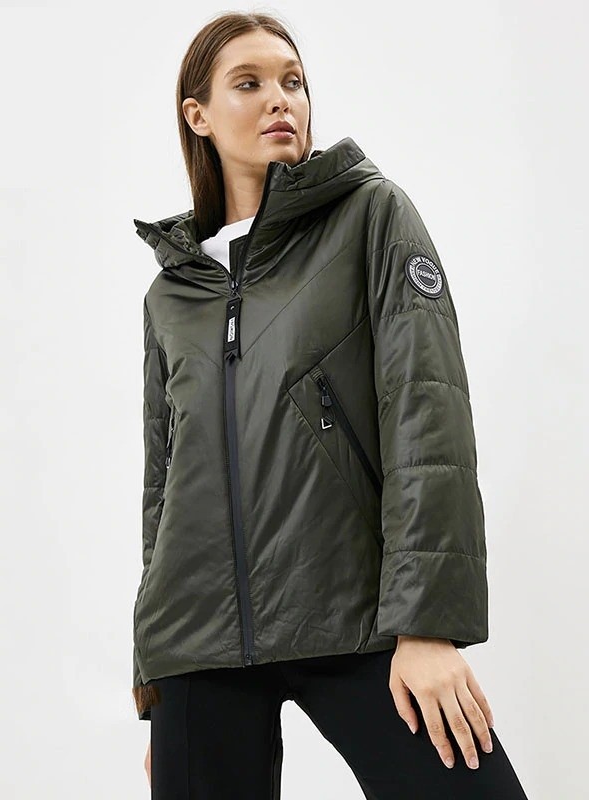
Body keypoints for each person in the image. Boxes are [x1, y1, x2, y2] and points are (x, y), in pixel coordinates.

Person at [130, 10, 529, 799]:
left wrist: (426, 625)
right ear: (198, 116)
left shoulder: (370, 217)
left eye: (294, 81)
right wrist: (156, 676)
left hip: (355, 610)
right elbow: (163, 486)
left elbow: (427, 415)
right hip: (196, 643)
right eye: (249, 83)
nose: (281, 98)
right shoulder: (171, 293)